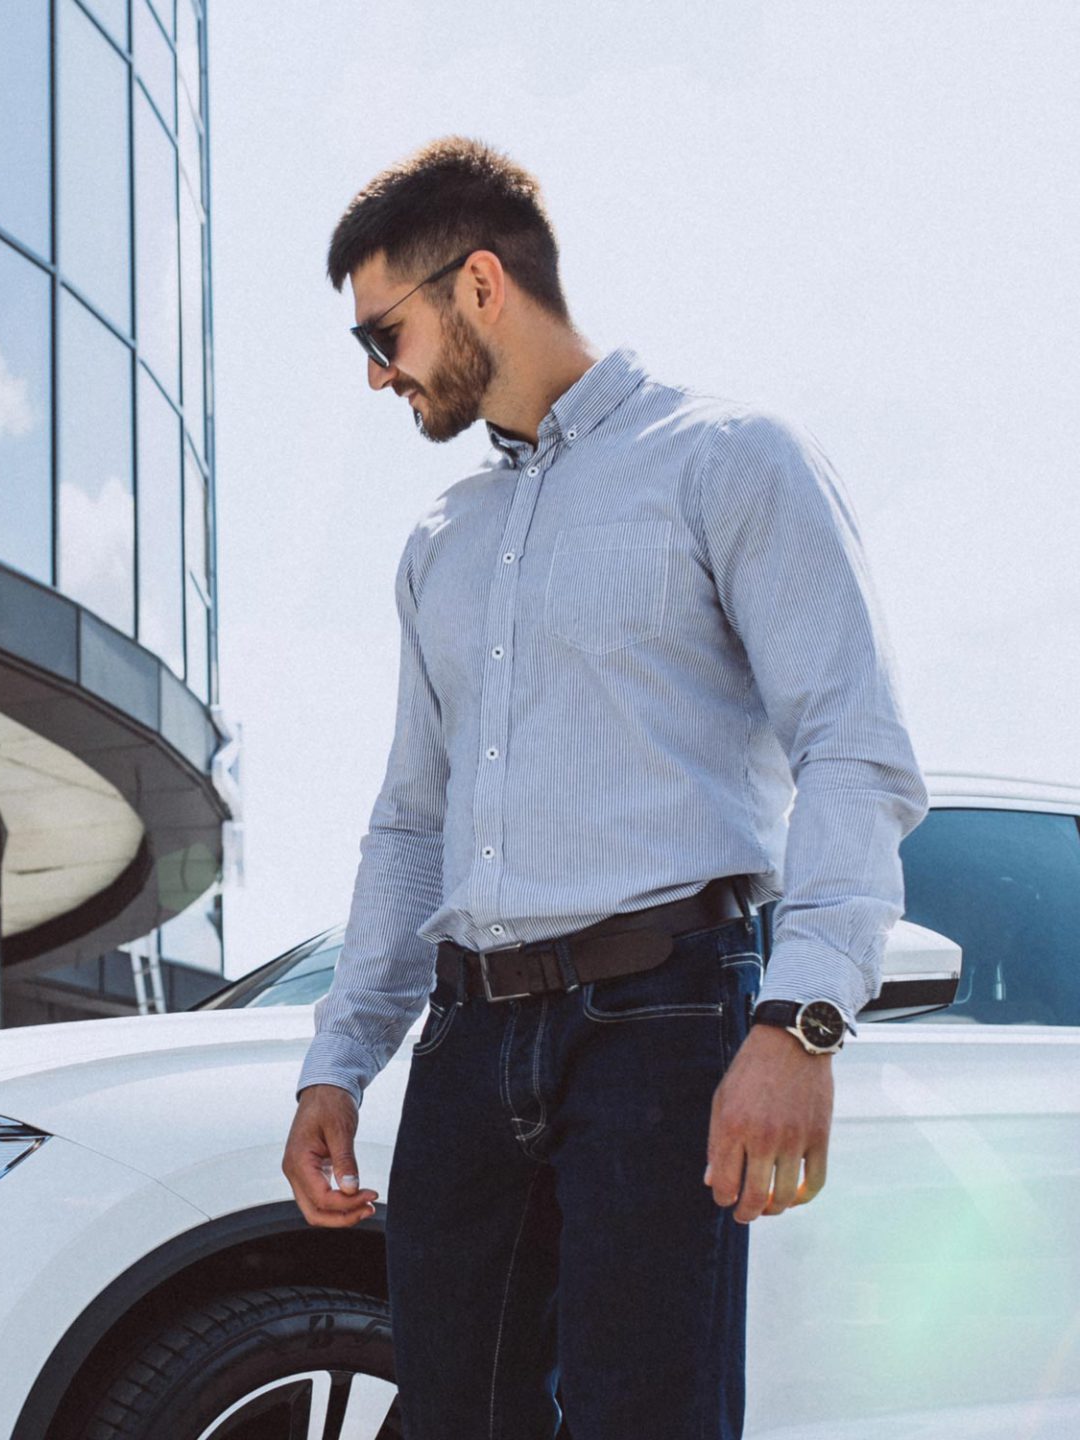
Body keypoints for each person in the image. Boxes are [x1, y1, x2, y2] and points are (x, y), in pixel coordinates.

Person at [278, 136, 928, 1439]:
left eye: (383, 330)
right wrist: (337, 1064)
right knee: (454, 1419)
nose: (374, 372)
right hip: (468, 1045)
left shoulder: (728, 460)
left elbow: (852, 744)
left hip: (665, 1022)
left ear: (477, 284)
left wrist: (799, 1019)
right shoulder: (440, 544)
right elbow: (415, 817)